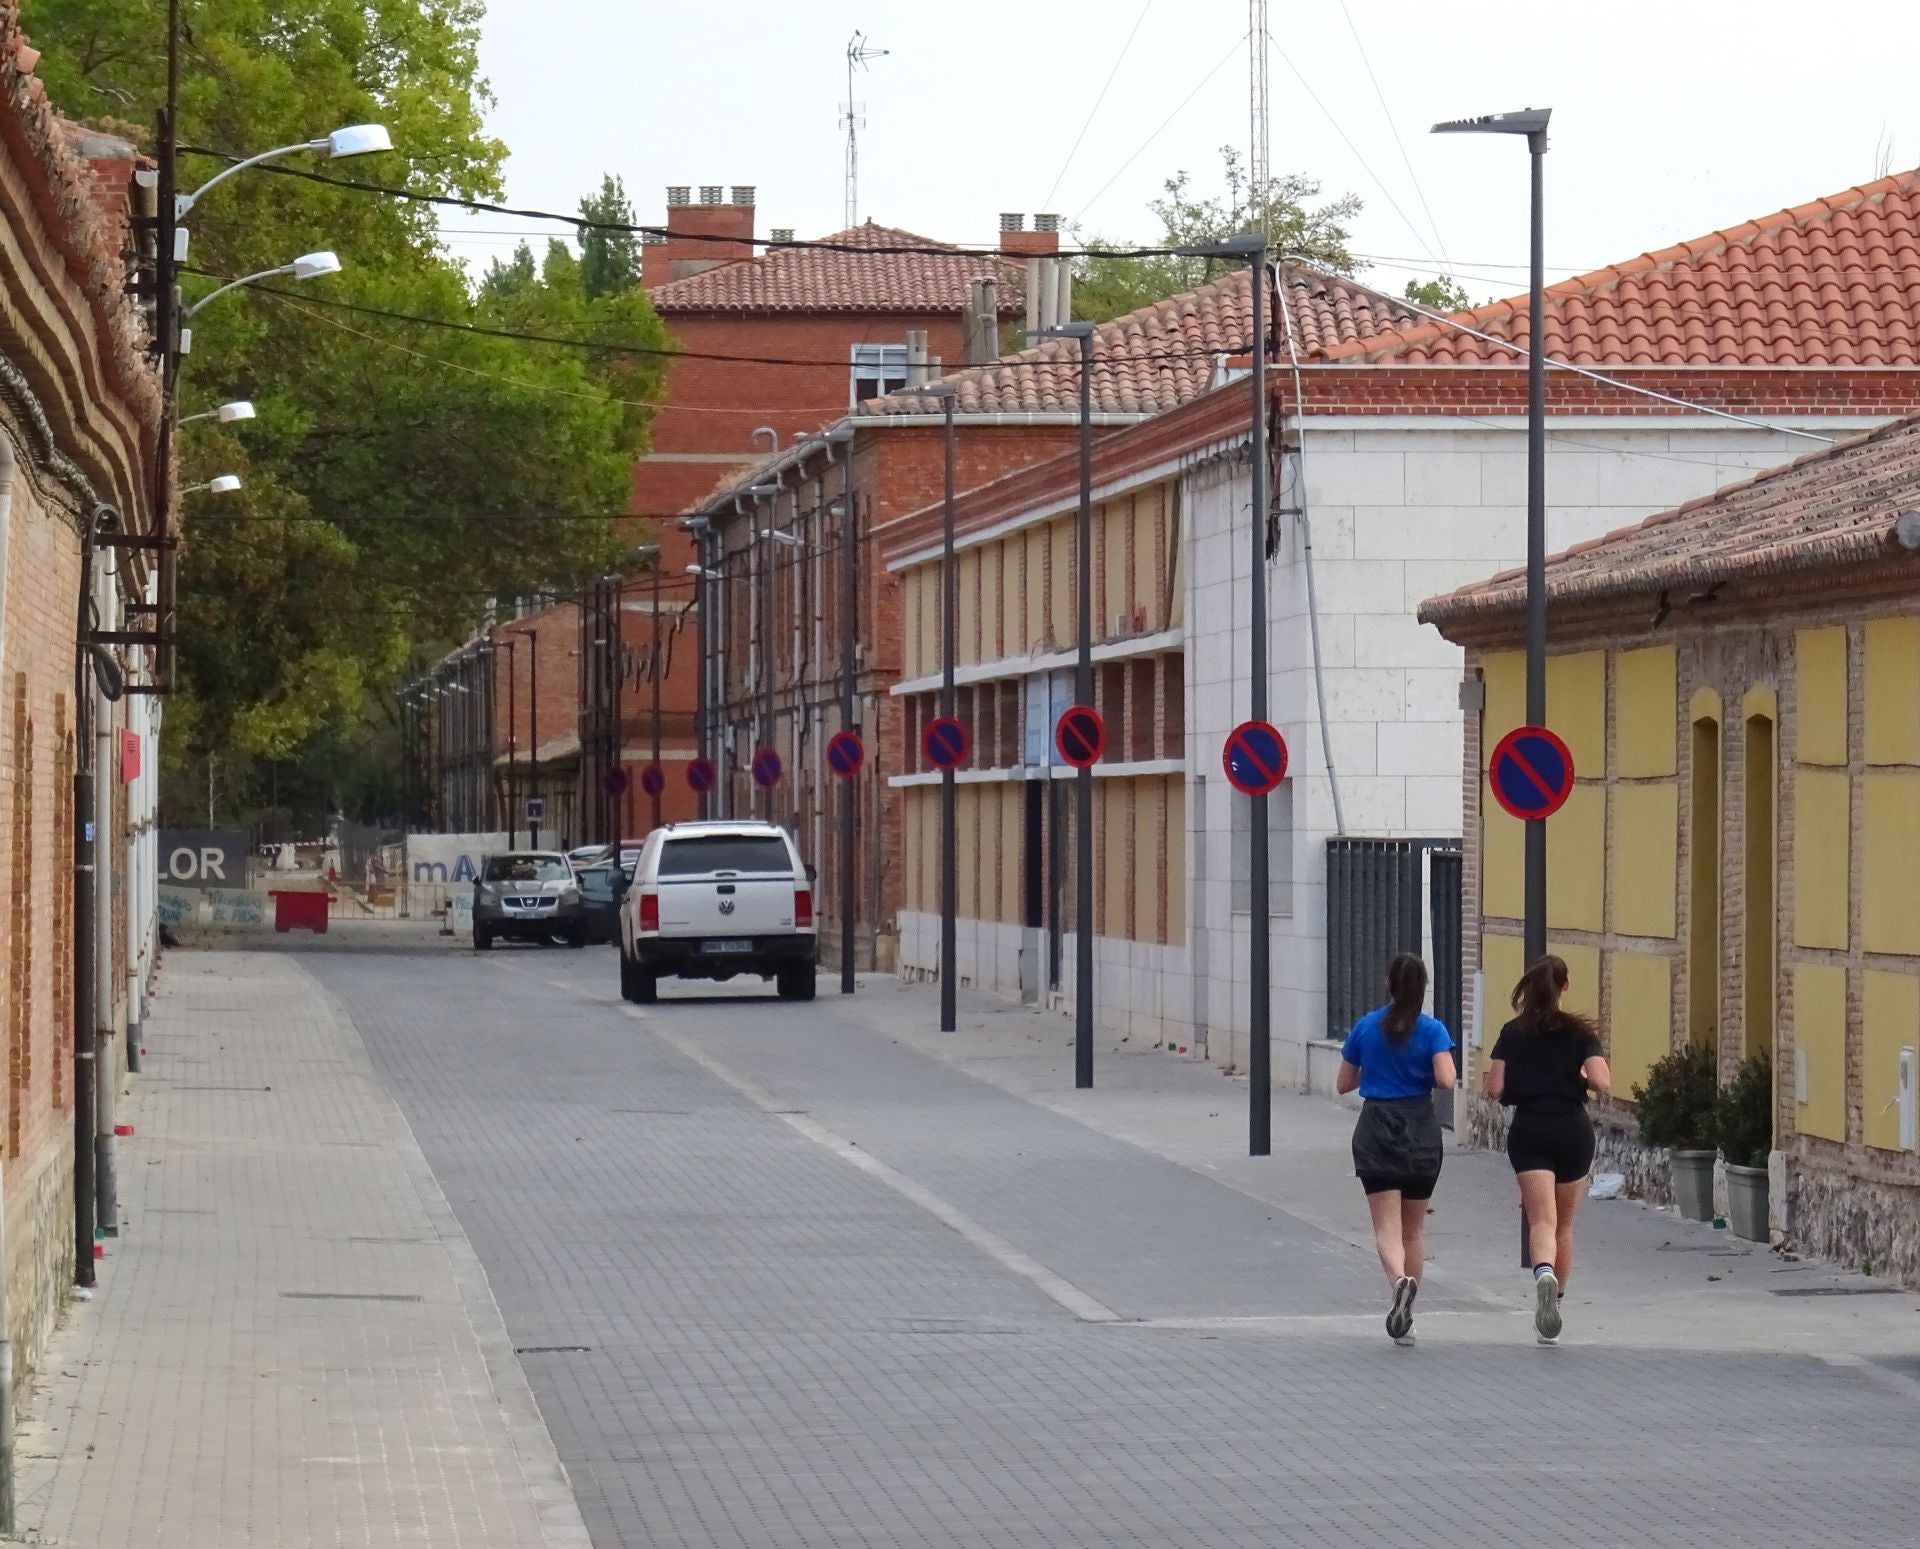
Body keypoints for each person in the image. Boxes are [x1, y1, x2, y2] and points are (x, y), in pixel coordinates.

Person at [1486, 954, 1613, 1346]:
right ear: (1565, 987)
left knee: (1541, 1220)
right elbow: (1602, 1082)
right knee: (1564, 1224)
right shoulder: (1580, 1033)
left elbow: (1494, 1089)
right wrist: (1575, 1075)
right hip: (1572, 1129)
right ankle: (1556, 1299)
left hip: (1530, 1128)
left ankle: (1543, 1272)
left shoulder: (1511, 1031)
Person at [1337, 953, 1457, 1346]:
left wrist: (1375, 1065)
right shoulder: (1433, 1030)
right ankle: (1410, 1309)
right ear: (1423, 988)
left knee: (1385, 1229)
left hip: (1376, 1129)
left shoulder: (1366, 1027)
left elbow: (1343, 1083)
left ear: (1388, 983)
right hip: (1421, 1130)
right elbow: (1446, 1080)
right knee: (1413, 1231)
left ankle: (1398, 1283)